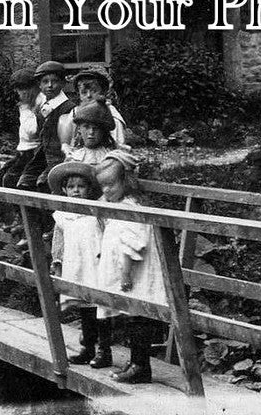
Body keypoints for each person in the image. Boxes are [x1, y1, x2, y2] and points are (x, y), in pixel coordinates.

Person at [94, 149, 166, 383]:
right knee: (132, 315)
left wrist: (125, 273)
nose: (106, 191)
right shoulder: (121, 203)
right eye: (103, 186)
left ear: (126, 181)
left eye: (111, 185)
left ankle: (141, 365)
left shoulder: (131, 207)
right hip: (132, 274)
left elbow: (132, 244)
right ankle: (136, 361)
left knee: (138, 317)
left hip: (137, 273)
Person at [47, 160, 104, 365]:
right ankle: (87, 347)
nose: (76, 191)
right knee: (84, 306)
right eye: (71, 187)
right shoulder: (62, 215)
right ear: (64, 190)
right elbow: (58, 242)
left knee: (101, 306)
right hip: (76, 264)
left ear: (89, 189)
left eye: (81, 187)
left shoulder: (96, 212)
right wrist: (58, 262)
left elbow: (105, 235)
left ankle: (104, 350)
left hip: (95, 263)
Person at [18, 61, 75, 191]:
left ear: (62, 83)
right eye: (45, 82)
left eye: (54, 81)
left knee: (43, 184)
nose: (49, 85)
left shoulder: (69, 109)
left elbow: (69, 144)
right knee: (20, 181)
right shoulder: (43, 107)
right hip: (42, 156)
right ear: (39, 85)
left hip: (59, 158)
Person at [0, 68, 42, 192]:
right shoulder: (24, 106)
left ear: (31, 88)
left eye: (21, 89)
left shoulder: (41, 105)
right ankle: (8, 210)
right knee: (1, 175)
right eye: (17, 89)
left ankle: (19, 211)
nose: (19, 93)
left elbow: (33, 131)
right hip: (23, 151)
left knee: (10, 179)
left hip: (34, 152)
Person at [58, 67, 127, 148]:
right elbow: (67, 141)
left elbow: (119, 145)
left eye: (94, 91)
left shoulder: (111, 115)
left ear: (103, 92)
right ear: (79, 94)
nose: (89, 96)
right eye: (84, 92)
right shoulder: (75, 112)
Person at [63, 99, 123, 166]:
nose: (91, 132)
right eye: (86, 127)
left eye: (96, 128)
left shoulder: (111, 158)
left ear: (103, 131)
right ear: (79, 129)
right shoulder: (73, 157)